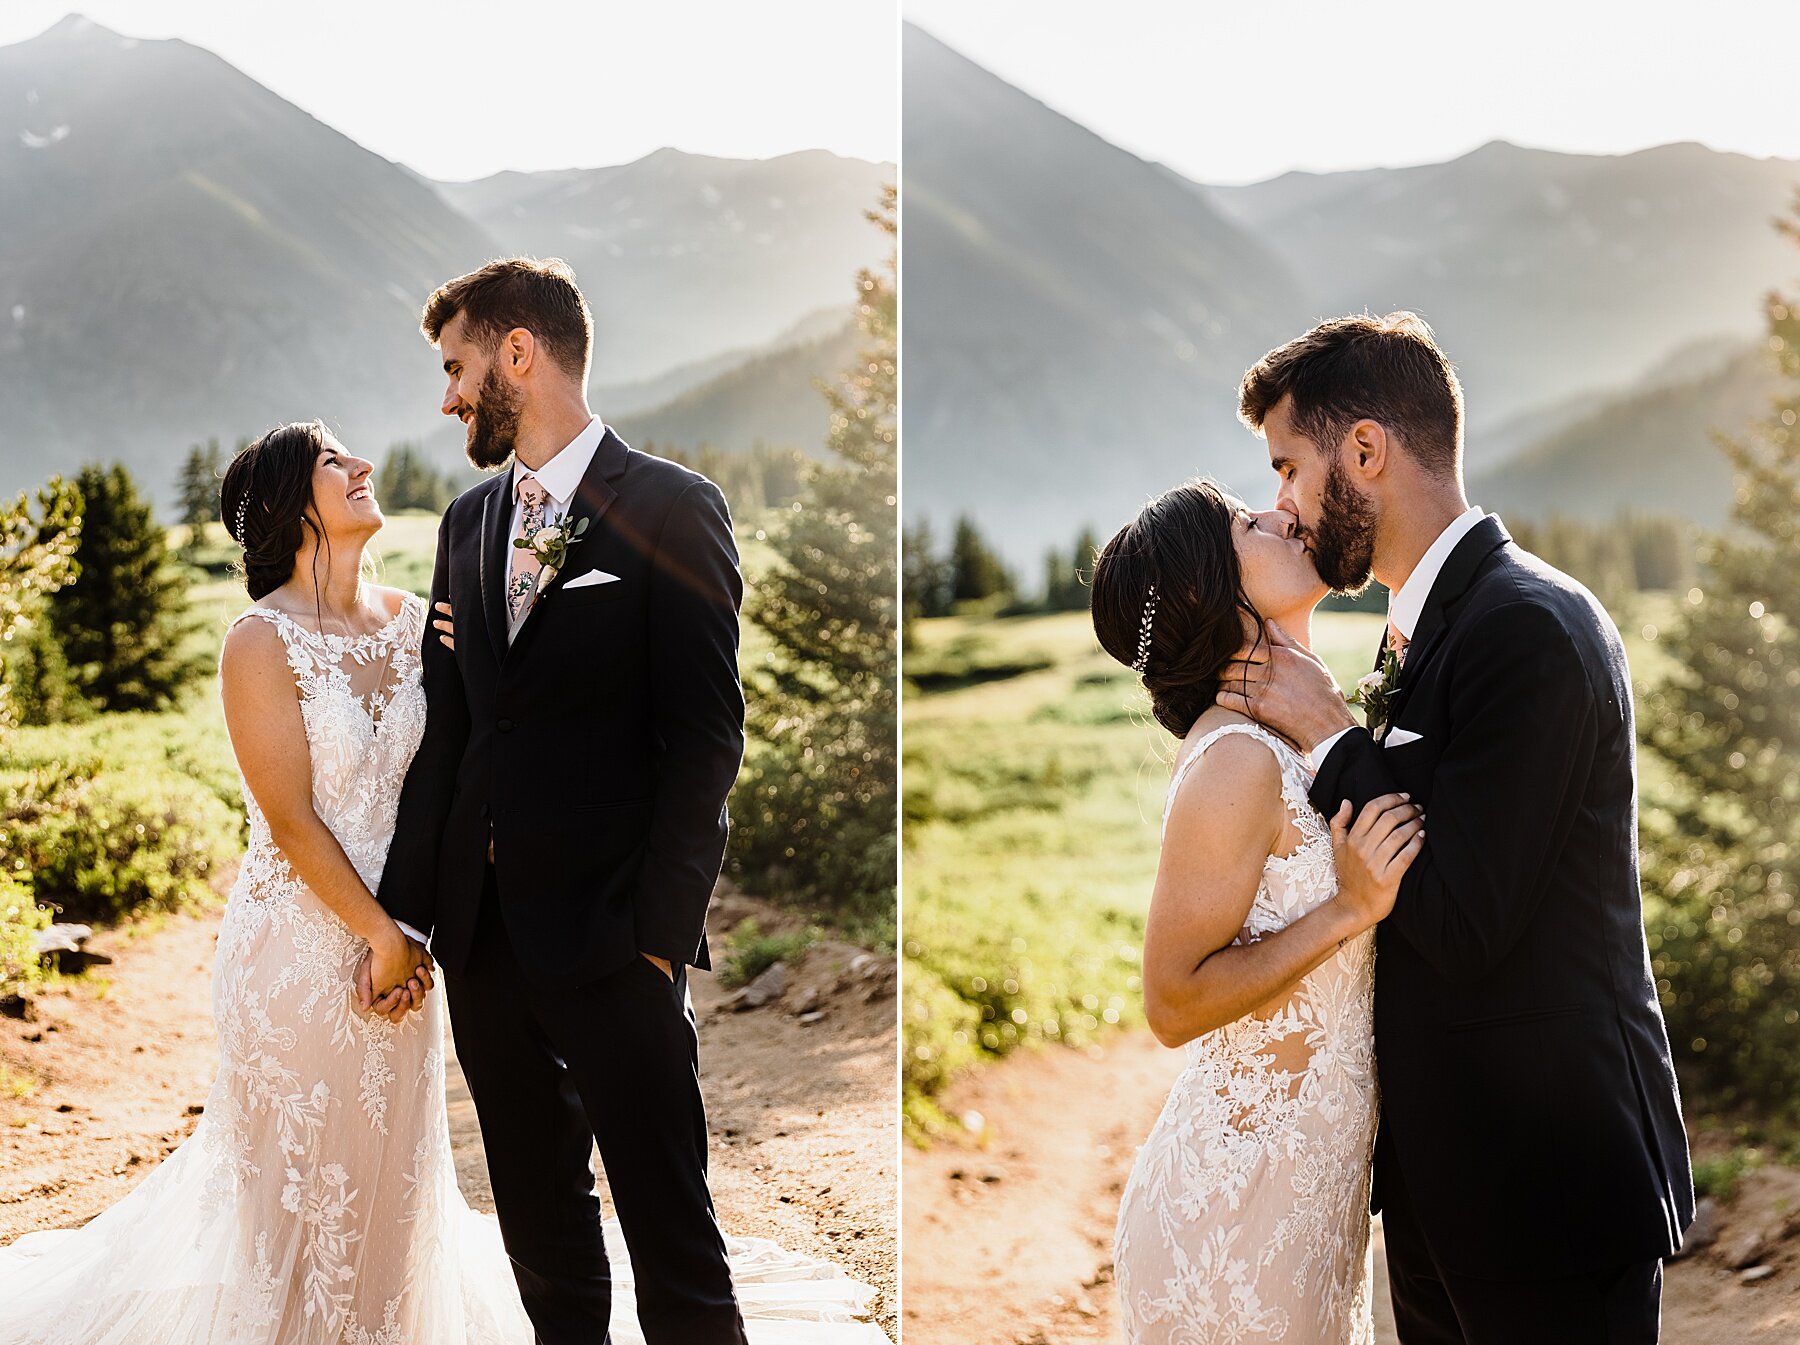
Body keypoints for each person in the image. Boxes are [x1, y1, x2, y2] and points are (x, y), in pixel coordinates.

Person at [0, 415, 889, 1341]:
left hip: (414, 954)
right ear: (287, 505)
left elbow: (475, 739)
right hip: (301, 958)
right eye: (333, 460)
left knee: (392, 1189)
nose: (362, 465)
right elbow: (291, 820)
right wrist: (385, 933)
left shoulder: (413, 622)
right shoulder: (256, 643)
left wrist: (418, 926)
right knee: (298, 1201)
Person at [1222, 312, 1693, 1344]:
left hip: (1548, 1188)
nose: (1285, 505)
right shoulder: (1432, 625)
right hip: (1450, 1182)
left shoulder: (1526, 625)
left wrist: (1327, 730)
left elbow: (1467, 915)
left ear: (1365, 451)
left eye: (1289, 467)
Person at [1093, 477, 1424, 1344]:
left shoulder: (1297, 734)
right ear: (1209, 590)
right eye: (1246, 521)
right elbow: (1171, 1001)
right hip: (1234, 1217)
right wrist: (1346, 909)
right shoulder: (1239, 759)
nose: (1281, 513)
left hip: (1310, 1200)